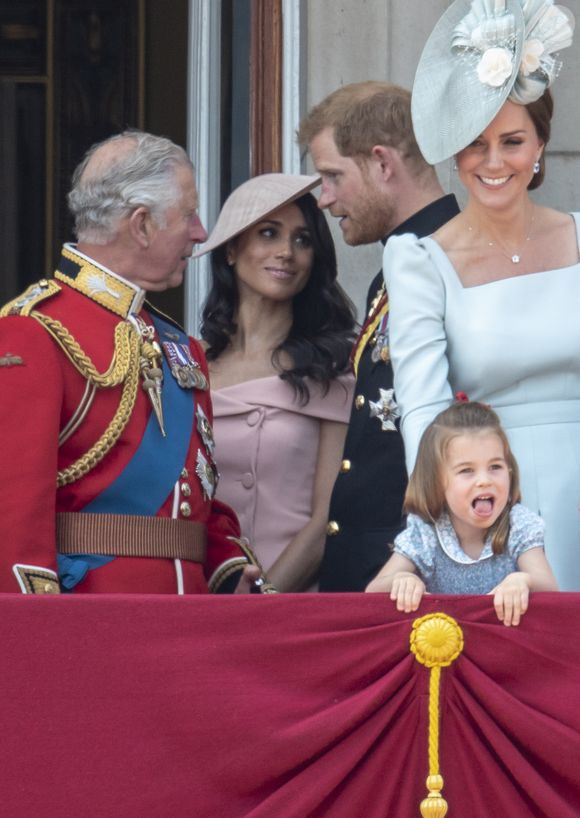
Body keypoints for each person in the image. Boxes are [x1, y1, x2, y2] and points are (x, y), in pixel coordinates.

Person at [0, 130, 270, 595]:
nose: (200, 232)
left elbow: (193, 495)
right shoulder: (34, 331)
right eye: (189, 214)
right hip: (95, 616)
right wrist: (32, 624)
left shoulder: (178, 345)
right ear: (141, 225)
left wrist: (226, 563)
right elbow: (14, 510)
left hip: (189, 615)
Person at [384, 0, 579, 588]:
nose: (493, 162)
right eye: (474, 143)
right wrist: (446, 533)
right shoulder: (419, 260)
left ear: (540, 145)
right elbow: (424, 411)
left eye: (512, 141)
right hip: (490, 504)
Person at [297, 81, 460, 591]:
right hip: (375, 571)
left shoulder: (460, 259)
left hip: (415, 575)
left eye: (333, 176)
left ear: (382, 163)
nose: (324, 198)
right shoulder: (393, 269)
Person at [194, 174, 356, 591]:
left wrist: (262, 601)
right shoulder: (190, 366)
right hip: (198, 598)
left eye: (303, 240)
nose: (287, 252)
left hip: (295, 602)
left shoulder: (334, 367)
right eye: (269, 233)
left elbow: (328, 517)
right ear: (232, 249)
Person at [366, 401, 558, 625]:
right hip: (441, 645)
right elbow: (373, 591)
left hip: (506, 643)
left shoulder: (518, 525)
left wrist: (523, 581)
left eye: (495, 467)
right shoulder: (426, 533)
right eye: (467, 470)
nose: (484, 480)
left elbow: (550, 589)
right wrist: (402, 580)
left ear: (510, 470)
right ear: (436, 482)